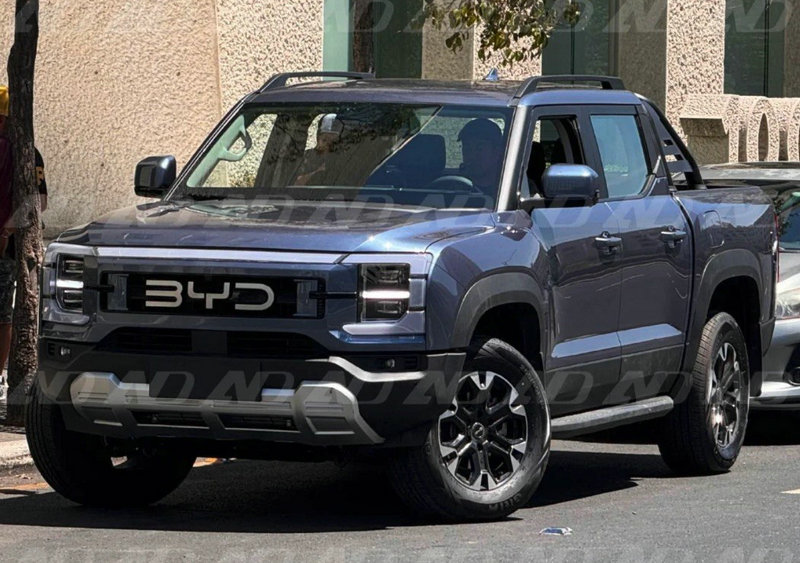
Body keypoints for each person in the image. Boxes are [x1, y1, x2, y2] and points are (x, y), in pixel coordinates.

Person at [0, 84, 48, 379]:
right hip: (7, 243)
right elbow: (38, 202)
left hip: (7, 248)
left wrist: (7, 231)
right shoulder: (23, 151)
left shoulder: (26, 153)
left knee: (3, 314)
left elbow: (37, 201)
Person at [294, 113, 344, 186]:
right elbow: (296, 184)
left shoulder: (340, 160)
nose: (327, 145)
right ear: (318, 137)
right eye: (324, 140)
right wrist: (317, 172)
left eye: (333, 142)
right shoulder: (305, 157)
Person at [457, 118, 505, 195]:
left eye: (479, 149)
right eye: (467, 148)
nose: (471, 155)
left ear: (497, 152)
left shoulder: (508, 191)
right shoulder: (451, 186)